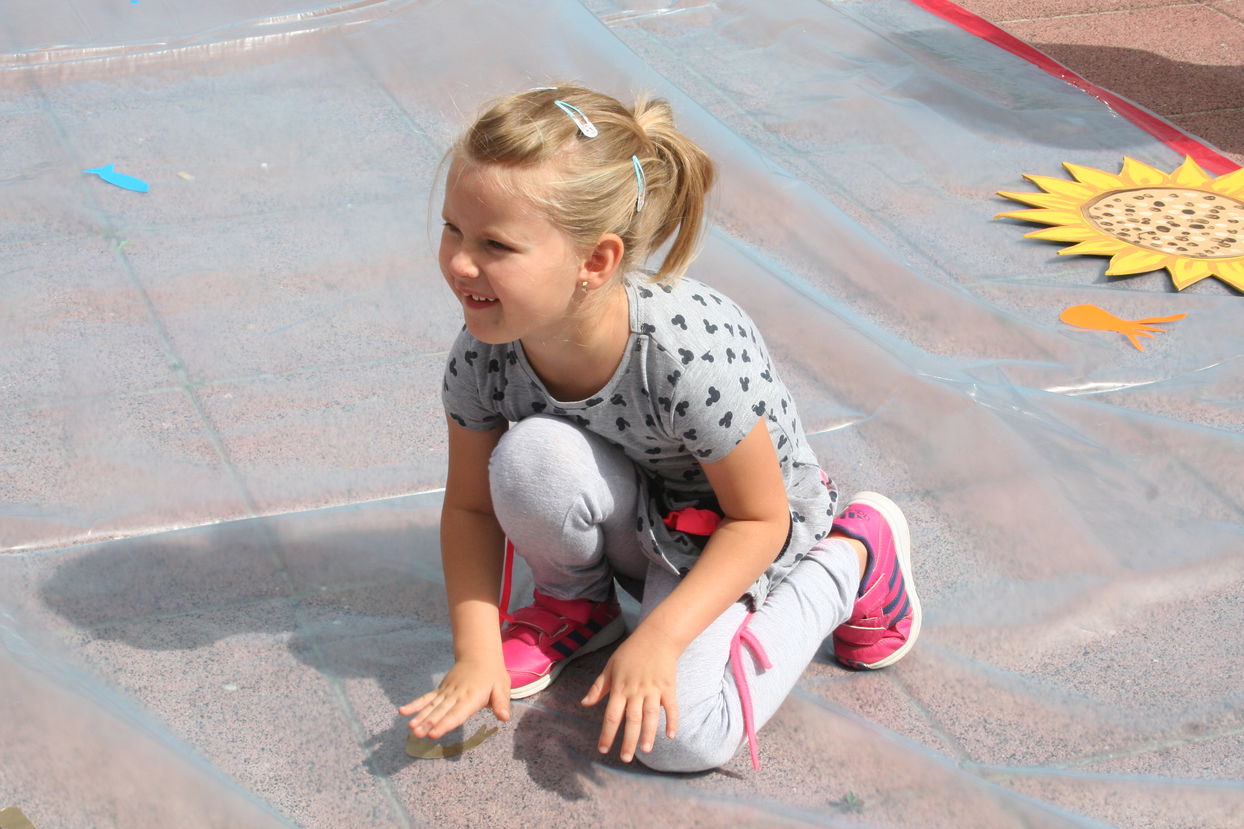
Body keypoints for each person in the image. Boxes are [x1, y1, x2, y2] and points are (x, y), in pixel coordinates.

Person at [397, 84, 920, 773]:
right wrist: (475, 651)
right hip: (643, 513)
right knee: (530, 457)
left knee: (681, 739)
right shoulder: (483, 351)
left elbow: (760, 518)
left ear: (596, 262)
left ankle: (853, 558)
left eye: (495, 244)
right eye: (453, 229)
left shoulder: (682, 357)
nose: (461, 263)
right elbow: (470, 506)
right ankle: (580, 607)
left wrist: (662, 637)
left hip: (735, 528)